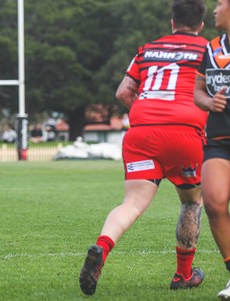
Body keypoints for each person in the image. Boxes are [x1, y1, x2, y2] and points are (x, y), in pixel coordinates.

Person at [79, 0, 208, 295]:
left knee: (131, 204)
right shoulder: (208, 50)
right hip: (184, 133)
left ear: (171, 22)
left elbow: (124, 91)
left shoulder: (147, 49)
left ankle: (101, 247)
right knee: (191, 202)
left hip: (141, 134)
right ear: (200, 25)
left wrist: (149, 112)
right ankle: (183, 275)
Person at [194, 0, 230, 299]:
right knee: (215, 203)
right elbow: (197, 92)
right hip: (218, 140)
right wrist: (209, 102)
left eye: (220, 3)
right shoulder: (212, 47)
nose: (215, 9)